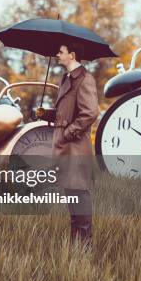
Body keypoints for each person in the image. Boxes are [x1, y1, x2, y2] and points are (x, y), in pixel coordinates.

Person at [52, 43, 100, 247]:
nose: (57, 54)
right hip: (65, 147)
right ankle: (75, 245)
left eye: (60, 51)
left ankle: (85, 246)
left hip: (76, 146)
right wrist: (46, 113)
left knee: (79, 194)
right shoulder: (66, 79)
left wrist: (68, 133)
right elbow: (66, 112)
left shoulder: (85, 79)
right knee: (71, 195)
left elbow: (90, 112)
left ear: (71, 55)